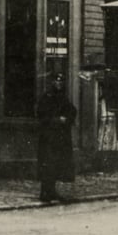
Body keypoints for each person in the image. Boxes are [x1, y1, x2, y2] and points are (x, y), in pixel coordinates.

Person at [36, 72, 77, 202]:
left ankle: (52, 191)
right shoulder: (46, 97)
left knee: (57, 164)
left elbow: (72, 110)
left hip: (60, 137)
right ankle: (44, 192)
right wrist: (57, 119)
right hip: (49, 137)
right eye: (57, 81)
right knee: (48, 164)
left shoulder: (63, 97)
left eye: (61, 81)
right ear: (52, 83)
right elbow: (42, 116)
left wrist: (67, 119)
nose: (59, 83)